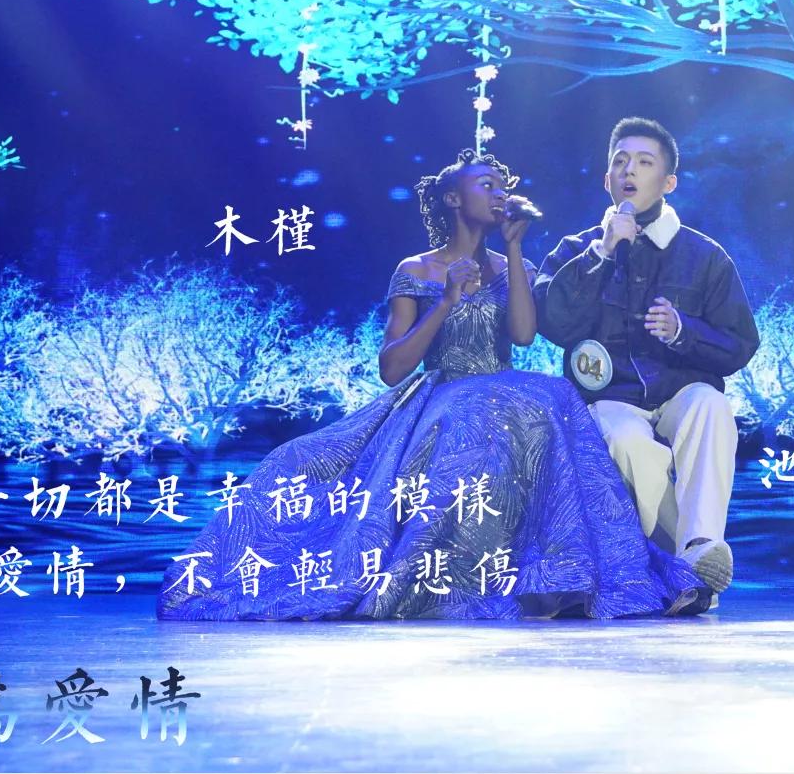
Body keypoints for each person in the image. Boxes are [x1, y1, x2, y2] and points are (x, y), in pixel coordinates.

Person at [158, 148, 708, 620]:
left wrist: (516, 249)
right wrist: (446, 300)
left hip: (502, 385)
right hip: (444, 390)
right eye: (485, 185)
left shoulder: (510, 263)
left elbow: (522, 335)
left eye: (503, 187)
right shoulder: (417, 269)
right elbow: (392, 367)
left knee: (555, 398)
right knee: (306, 458)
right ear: (452, 198)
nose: (498, 194)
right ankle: (456, 578)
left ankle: (563, 575)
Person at [534, 118, 760, 608]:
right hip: (612, 397)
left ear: (668, 181)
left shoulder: (704, 256)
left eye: (643, 161)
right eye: (620, 162)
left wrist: (683, 331)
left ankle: (698, 546)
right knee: (628, 443)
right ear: (606, 180)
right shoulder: (576, 251)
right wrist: (601, 253)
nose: (629, 170)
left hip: (681, 389)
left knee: (711, 407)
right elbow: (551, 321)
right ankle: (694, 570)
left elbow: (741, 344)